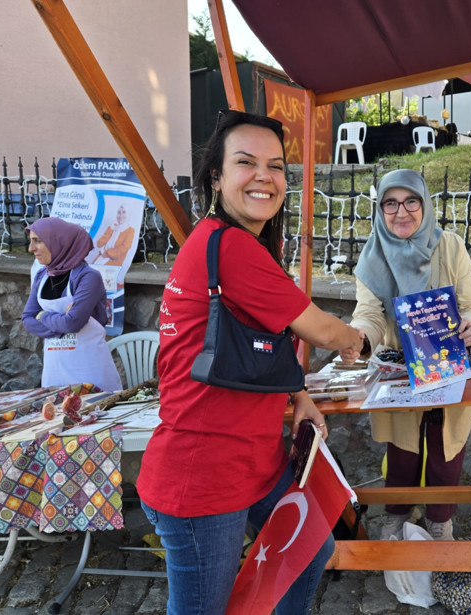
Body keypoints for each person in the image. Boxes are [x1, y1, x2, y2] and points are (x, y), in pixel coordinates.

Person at [136, 111, 363, 615]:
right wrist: (358, 341)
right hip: (204, 474)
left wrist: (300, 396)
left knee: (309, 552)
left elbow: (263, 343)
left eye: (275, 166)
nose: (264, 176)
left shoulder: (237, 243)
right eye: (246, 162)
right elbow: (323, 331)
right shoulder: (231, 246)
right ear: (216, 177)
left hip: (254, 460)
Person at [339, 169, 471, 542]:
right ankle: (398, 513)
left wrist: (470, 324)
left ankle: (440, 519)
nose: (401, 212)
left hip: (447, 363)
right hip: (400, 370)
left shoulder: (450, 247)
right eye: (390, 203)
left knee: (445, 447)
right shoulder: (373, 255)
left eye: (410, 201)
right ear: (380, 209)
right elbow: (369, 314)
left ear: (425, 204)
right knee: (402, 450)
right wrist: (360, 338)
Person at [22, 217, 122, 392]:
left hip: (90, 372)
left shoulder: (88, 277)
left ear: (58, 242)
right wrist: (61, 324)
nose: (31, 248)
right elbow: (27, 320)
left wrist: (43, 316)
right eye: (31, 241)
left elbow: (73, 323)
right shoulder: (42, 276)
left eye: (37, 241)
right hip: (54, 372)